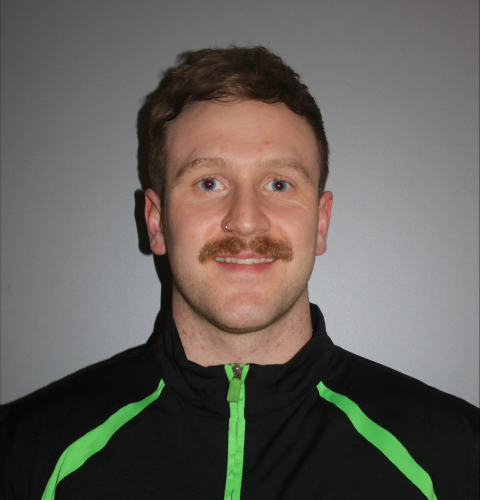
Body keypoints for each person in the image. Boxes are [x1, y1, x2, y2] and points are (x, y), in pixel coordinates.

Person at [1, 46, 478, 500]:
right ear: (156, 222)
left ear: (321, 222)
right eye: (209, 182)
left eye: (279, 183)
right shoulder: (25, 454)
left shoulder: (455, 459)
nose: (246, 220)